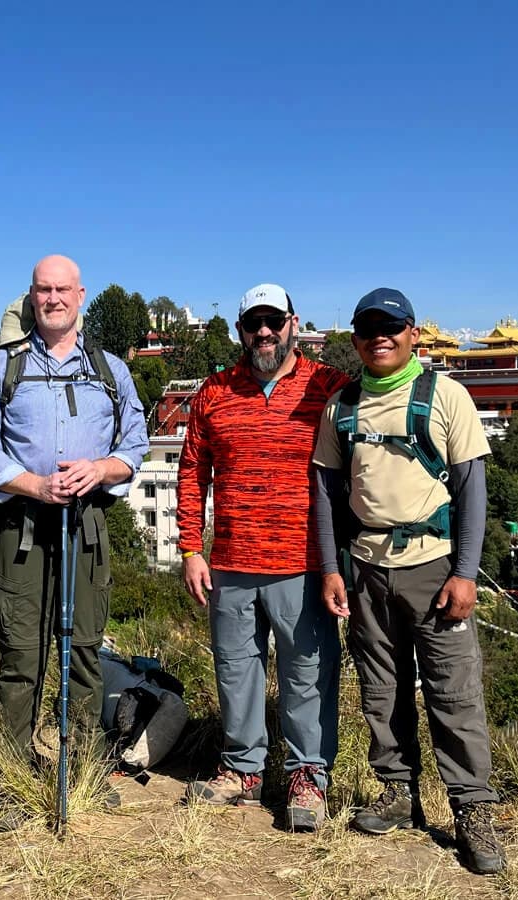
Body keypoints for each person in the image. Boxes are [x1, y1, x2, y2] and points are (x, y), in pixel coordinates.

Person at [312, 288, 506, 874]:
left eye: (391, 327)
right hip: (367, 569)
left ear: (414, 333)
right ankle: (398, 792)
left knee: (453, 692)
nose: (381, 337)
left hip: (434, 567)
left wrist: (466, 574)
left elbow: (473, 492)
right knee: (381, 689)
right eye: (369, 329)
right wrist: (331, 568)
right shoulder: (341, 407)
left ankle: (473, 810)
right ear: (355, 340)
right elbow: (324, 495)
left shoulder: (445, 397)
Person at [0, 255, 147, 806]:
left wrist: (100, 469)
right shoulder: (3, 368)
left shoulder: (110, 368)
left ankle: (85, 767)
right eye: (43, 290)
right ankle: (9, 775)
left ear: (81, 295)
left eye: (62, 289)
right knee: (20, 652)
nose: (52, 299)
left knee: (85, 648)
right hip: (20, 524)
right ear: (31, 296)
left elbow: (135, 443)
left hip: (86, 525)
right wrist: (34, 486)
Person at [177, 284, 349, 832]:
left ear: (293, 322)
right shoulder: (215, 391)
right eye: (254, 323)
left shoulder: (329, 386)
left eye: (274, 320)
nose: (265, 332)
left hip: (303, 564)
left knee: (308, 675)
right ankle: (243, 770)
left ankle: (307, 778)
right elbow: (190, 471)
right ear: (240, 329)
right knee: (235, 673)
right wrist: (189, 547)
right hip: (229, 560)